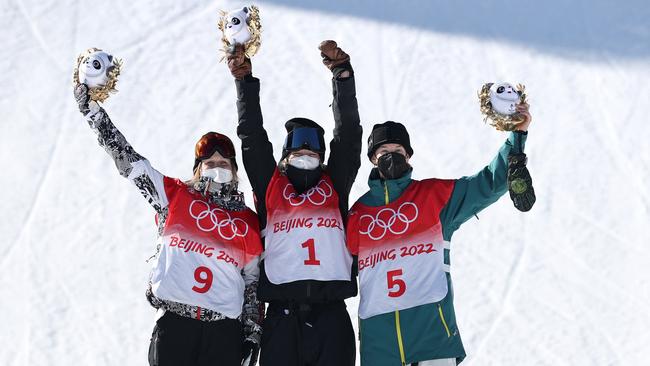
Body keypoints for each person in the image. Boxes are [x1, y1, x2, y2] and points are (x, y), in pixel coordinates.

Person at [73, 83, 264, 366]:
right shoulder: (174, 197)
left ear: (235, 171)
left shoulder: (247, 220)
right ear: (197, 170)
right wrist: (93, 113)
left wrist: (252, 335)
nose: (217, 167)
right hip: (176, 326)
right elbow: (129, 161)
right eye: (209, 163)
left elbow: (252, 284)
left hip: (223, 332)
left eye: (224, 162)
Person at [346, 105, 533, 366]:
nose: (392, 157)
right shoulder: (358, 214)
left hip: (433, 342)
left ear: (409, 156)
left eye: (399, 151)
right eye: (384, 152)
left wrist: (516, 137)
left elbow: (488, 183)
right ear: (373, 159)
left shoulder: (434, 197)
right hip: (380, 349)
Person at [225, 40, 362, 366]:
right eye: (298, 151)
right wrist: (245, 83)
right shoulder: (272, 187)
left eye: (312, 151)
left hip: (331, 315)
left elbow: (349, 136)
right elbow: (252, 137)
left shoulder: (333, 185)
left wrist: (342, 77)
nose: (306, 156)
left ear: (322, 156)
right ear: (286, 156)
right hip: (282, 317)